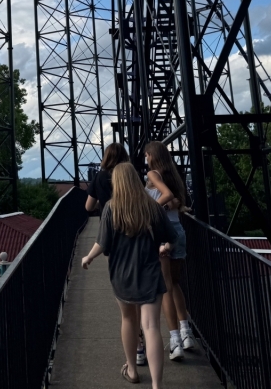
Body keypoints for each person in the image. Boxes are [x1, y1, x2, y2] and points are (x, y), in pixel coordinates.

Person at [81, 162, 179, 389]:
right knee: (152, 326)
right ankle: (157, 384)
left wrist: (88, 257)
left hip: (122, 275)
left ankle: (132, 370)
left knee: (128, 320)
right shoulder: (152, 207)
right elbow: (172, 238)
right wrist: (165, 246)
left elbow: (102, 243)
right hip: (150, 274)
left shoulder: (111, 208)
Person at [144, 140, 195, 361]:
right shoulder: (174, 175)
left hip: (163, 233)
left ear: (152, 156)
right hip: (178, 232)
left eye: (146, 155)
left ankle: (175, 341)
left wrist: (151, 211)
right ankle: (186, 332)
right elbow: (177, 201)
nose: (145, 158)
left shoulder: (152, 174)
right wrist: (170, 204)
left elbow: (164, 197)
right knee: (175, 284)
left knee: (165, 288)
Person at [86, 142, 130, 212]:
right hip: (130, 218)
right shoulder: (130, 174)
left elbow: (89, 207)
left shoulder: (99, 176)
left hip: (109, 219)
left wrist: (101, 203)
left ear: (106, 157)